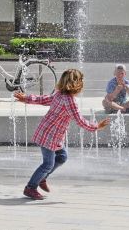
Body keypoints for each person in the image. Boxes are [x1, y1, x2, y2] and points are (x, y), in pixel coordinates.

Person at [14, 69, 109, 200]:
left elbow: (43, 99)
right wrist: (96, 126)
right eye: (81, 81)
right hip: (49, 136)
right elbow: (79, 120)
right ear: (76, 84)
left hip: (50, 134)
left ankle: (42, 177)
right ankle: (30, 187)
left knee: (62, 156)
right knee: (47, 164)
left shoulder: (59, 94)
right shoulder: (69, 101)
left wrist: (27, 98)